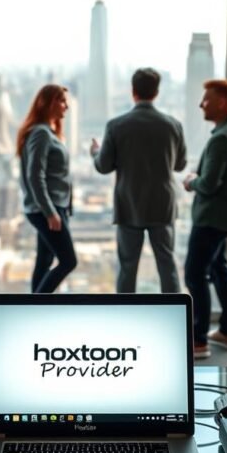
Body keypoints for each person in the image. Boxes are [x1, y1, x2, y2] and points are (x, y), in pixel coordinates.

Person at [90, 67, 187, 293]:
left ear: (133, 91)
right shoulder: (173, 125)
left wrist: (96, 152)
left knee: (127, 267)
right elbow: (180, 165)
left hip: (129, 206)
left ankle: (125, 318)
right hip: (162, 206)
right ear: (156, 92)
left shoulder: (116, 126)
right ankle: (174, 317)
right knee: (167, 264)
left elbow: (103, 167)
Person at [183, 78, 227, 359]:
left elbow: (208, 184)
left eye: (206, 99)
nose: (201, 104)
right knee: (220, 269)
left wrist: (191, 181)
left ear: (222, 102)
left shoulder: (222, 138)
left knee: (194, 274)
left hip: (211, 218)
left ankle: (199, 340)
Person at [17, 84, 77, 293]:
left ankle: (34, 308)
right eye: (62, 101)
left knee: (44, 261)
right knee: (69, 261)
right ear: (48, 103)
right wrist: (50, 212)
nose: (66, 107)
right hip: (46, 209)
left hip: (53, 207)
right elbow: (35, 176)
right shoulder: (41, 134)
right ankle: (37, 305)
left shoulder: (49, 133)